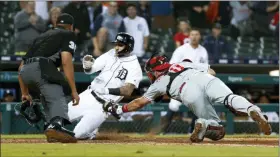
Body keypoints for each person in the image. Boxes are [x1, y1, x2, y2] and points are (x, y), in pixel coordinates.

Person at [103, 54, 272, 142]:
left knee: (217, 130)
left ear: (154, 71)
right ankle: (253, 110)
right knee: (229, 98)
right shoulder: (183, 63)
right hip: (205, 78)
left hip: (187, 92)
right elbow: (211, 71)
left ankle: (204, 124)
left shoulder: (159, 83)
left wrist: (121, 108)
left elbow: (140, 102)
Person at [68, 32, 142, 140]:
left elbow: (127, 90)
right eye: (116, 44)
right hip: (88, 96)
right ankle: (91, 130)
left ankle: (90, 133)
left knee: (77, 135)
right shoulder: (111, 53)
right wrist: (87, 67)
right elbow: (91, 70)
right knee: (59, 120)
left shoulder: (134, 66)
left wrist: (106, 90)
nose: (116, 47)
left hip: (103, 107)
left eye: (120, 45)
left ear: (128, 47)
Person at [18, 13, 79, 143]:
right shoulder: (68, 34)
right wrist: (74, 90)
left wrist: (25, 93)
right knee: (60, 92)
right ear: (71, 26)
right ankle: (56, 125)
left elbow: (20, 67)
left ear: (56, 25)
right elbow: (66, 61)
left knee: (48, 96)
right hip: (41, 67)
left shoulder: (41, 36)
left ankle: (50, 127)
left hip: (26, 72)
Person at [164, 28, 212, 134]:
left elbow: (205, 69)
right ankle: (163, 130)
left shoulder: (203, 51)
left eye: (196, 34)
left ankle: (192, 130)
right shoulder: (181, 49)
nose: (194, 37)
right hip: (181, 82)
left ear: (200, 37)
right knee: (173, 106)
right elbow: (171, 66)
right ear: (188, 37)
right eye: (192, 34)